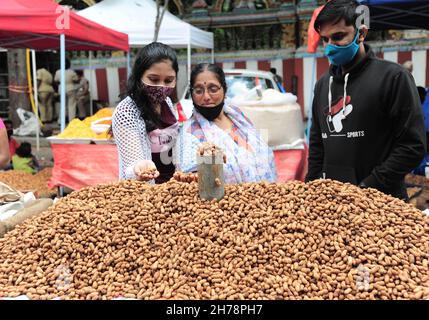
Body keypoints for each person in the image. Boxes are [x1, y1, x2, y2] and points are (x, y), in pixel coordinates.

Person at [305, 0, 426, 200]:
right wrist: (311, 191)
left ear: (361, 33)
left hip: (382, 204)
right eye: (325, 39)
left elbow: (413, 145)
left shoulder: (393, 78)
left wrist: (368, 187)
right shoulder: (322, 85)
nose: (330, 47)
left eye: (338, 36)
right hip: (331, 206)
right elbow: (317, 146)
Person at [174, 63, 277, 183]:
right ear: (192, 94)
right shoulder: (189, 135)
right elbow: (192, 184)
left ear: (224, 89)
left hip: (266, 196)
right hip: (228, 201)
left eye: (213, 89)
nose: (206, 96)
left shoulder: (237, 116)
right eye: (198, 91)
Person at [112, 42, 179, 183]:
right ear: (139, 76)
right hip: (147, 196)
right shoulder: (126, 112)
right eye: (154, 79)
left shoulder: (167, 103)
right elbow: (131, 167)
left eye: (168, 80)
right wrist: (138, 168)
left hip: (173, 190)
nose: (161, 86)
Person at [54, 59, 79, 123]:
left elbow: (56, 80)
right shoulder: (72, 72)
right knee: (71, 105)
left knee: (63, 105)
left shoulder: (58, 72)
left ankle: (61, 121)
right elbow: (76, 80)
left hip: (61, 89)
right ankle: (71, 121)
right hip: (70, 88)